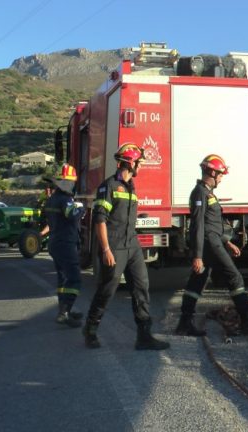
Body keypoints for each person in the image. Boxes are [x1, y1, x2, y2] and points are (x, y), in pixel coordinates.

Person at [175, 154, 248, 336]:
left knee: (197, 281)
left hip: (213, 242)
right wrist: (197, 255)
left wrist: (227, 242)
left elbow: (213, 222)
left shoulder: (208, 193)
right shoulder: (200, 193)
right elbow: (197, 225)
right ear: (212, 172)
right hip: (208, 244)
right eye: (220, 174)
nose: (221, 177)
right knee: (234, 277)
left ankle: (184, 323)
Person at [83, 143, 170, 351]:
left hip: (132, 244)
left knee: (141, 287)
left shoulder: (131, 186)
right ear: (130, 162)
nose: (141, 166)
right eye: (139, 162)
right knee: (107, 289)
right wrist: (105, 250)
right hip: (114, 246)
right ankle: (91, 329)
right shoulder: (109, 186)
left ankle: (144, 336)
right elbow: (100, 220)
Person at [43, 164, 85, 327]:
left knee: (63, 279)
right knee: (74, 279)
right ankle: (64, 313)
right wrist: (82, 209)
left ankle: (64, 310)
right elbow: (72, 216)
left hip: (55, 243)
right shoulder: (65, 199)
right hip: (65, 244)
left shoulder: (52, 199)